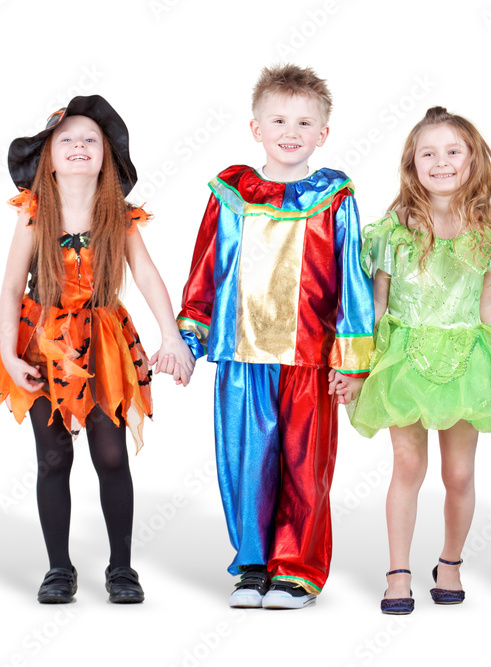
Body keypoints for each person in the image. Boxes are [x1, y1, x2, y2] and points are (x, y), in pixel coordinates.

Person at [0, 95, 194, 604]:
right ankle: (59, 568)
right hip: (43, 343)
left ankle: (122, 567)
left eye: (89, 140)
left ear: (106, 156)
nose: (78, 145)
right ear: (48, 157)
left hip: (102, 340)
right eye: (66, 139)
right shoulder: (35, 212)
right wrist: (10, 353)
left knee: (111, 454)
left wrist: (171, 336)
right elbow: (12, 287)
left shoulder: (116, 213)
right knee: (52, 458)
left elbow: (144, 274)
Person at [176, 64, 375, 609]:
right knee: (247, 462)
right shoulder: (230, 192)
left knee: (304, 466)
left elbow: (352, 278)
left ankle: (298, 569)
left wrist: (352, 359)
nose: (291, 130)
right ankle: (254, 563)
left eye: (305, 121)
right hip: (241, 354)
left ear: (323, 134)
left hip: (309, 355)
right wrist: (187, 341)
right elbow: (205, 269)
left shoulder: (334, 196)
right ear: (256, 127)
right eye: (279, 119)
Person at [349, 106, 491, 615]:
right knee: (408, 466)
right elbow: (378, 304)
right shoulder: (393, 230)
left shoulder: (490, 234)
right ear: (412, 163)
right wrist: (358, 367)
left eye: (454, 151)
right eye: (428, 152)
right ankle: (398, 570)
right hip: (403, 358)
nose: (442, 161)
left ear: (472, 160)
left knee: (459, 475)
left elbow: (489, 305)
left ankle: (449, 561)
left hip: (466, 360)